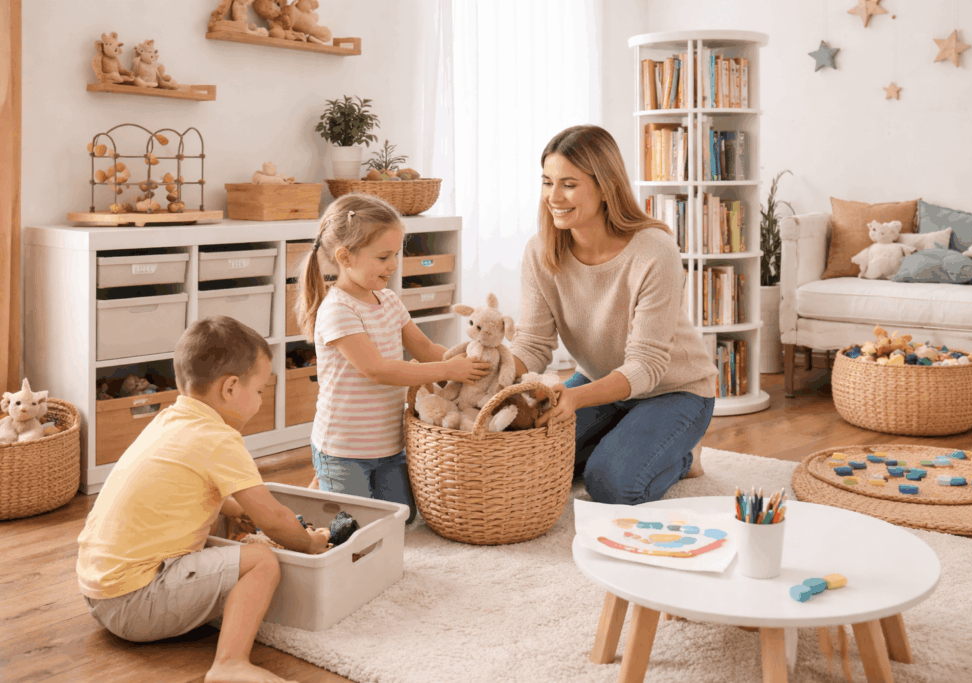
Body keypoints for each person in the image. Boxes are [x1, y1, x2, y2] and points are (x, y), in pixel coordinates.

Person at [77, 316, 327, 683]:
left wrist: (236, 510)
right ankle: (230, 663)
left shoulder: (170, 420)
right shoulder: (219, 439)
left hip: (99, 591)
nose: (261, 400)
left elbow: (188, 487)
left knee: (221, 530)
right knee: (262, 561)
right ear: (229, 388)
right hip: (133, 604)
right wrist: (310, 545)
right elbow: (273, 518)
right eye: (259, 391)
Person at [510, 124, 719, 506]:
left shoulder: (654, 250)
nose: (552, 197)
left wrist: (575, 400)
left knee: (613, 485)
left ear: (605, 187)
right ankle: (622, 439)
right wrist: (484, 369)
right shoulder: (540, 251)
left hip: (674, 391)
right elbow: (534, 343)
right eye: (546, 182)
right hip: (600, 384)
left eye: (568, 184)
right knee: (521, 462)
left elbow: (647, 366)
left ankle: (685, 456)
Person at [295, 193, 490, 521]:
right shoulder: (338, 310)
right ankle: (317, 492)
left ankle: (330, 489)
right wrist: (448, 370)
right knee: (355, 528)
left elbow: (426, 351)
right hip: (343, 449)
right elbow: (378, 370)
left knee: (404, 518)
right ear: (345, 257)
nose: (394, 265)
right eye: (384, 256)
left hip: (388, 446)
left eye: (397, 254)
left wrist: (472, 364)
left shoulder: (388, 300)